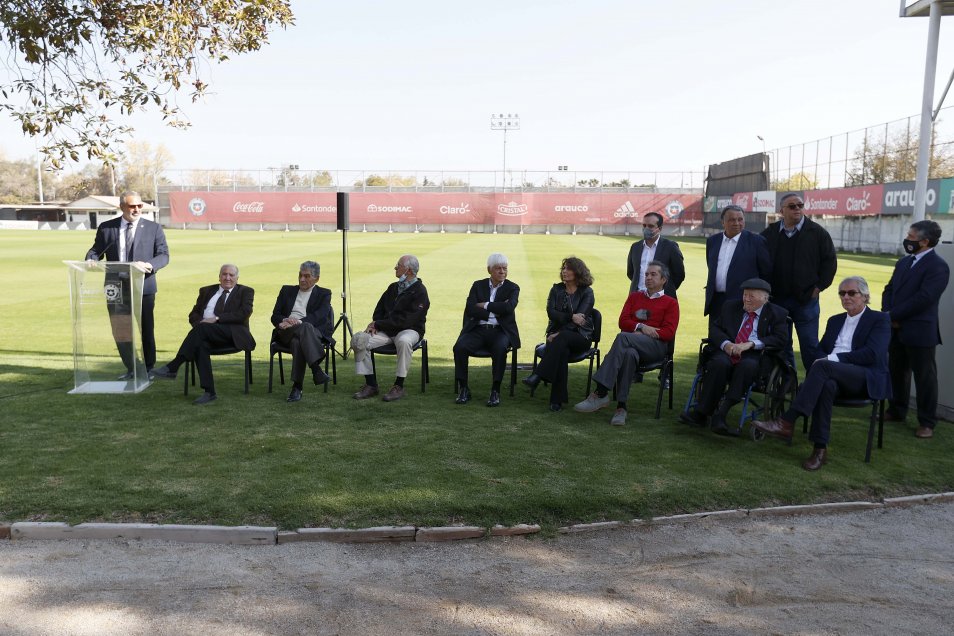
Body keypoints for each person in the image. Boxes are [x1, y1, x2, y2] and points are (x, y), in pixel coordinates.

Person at [753, 276, 890, 471]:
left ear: (865, 296)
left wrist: (832, 360)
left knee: (823, 366)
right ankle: (820, 449)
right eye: (842, 293)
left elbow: (872, 354)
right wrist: (825, 359)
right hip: (833, 377)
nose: (846, 297)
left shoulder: (880, 319)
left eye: (852, 293)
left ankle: (787, 421)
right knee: (827, 385)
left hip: (864, 377)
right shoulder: (835, 321)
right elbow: (821, 349)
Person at [573, 261, 678, 426]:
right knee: (629, 353)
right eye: (646, 274)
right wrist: (642, 327)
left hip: (656, 348)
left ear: (663, 279)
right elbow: (623, 321)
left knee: (623, 337)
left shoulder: (671, 303)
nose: (648, 277)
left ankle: (600, 393)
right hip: (632, 345)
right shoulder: (634, 296)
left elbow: (668, 333)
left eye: (653, 274)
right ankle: (621, 408)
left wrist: (643, 331)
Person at [682, 278, 789, 435]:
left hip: (754, 356)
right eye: (745, 295)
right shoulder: (731, 307)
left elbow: (780, 339)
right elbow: (715, 329)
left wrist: (751, 344)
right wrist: (727, 344)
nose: (746, 299)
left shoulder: (777, 314)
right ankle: (701, 413)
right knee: (718, 363)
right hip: (728, 351)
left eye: (751, 296)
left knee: (747, 366)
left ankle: (721, 414)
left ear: (764, 299)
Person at [85, 191, 170, 375]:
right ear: (122, 207)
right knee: (121, 330)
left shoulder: (153, 228)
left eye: (140, 206)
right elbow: (96, 250)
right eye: (132, 206)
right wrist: (91, 258)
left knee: (146, 330)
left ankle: (148, 368)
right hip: (115, 287)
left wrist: (149, 265)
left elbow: (163, 255)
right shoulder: (107, 228)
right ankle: (132, 368)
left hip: (144, 287)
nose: (137, 209)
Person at [882, 220, 950, 439]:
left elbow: (925, 299)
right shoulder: (903, 262)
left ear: (925, 241)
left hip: (920, 331)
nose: (907, 240)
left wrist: (894, 315)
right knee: (896, 372)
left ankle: (927, 422)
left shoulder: (938, 266)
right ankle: (896, 410)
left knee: (924, 378)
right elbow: (889, 289)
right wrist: (887, 314)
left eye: (911, 237)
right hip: (895, 328)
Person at [150, 264, 256, 405]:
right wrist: (201, 323)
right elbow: (193, 314)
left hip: (232, 335)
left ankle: (173, 367)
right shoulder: (207, 291)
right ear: (219, 276)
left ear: (237, 278)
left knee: (202, 329)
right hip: (206, 334)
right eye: (224, 274)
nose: (227, 277)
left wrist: (216, 319)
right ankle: (209, 392)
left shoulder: (246, 291)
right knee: (200, 344)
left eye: (231, 275)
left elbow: (243, 314)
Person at [761, 193, 837, 373]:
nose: (797, 209)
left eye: (800, 205)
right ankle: (787, 385)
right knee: (782, 346)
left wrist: (818, 288)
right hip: (777, 301)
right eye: (792, 206)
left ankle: (816, 385)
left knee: (810, 346)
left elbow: (830, 263)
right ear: (781, 211)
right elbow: (758, 261)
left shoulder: (817, 232)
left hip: (806, 301)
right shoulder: (769, 233)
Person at [352, 254, 430, 402]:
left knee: (404, 341)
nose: (395, 267)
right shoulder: (393, 287)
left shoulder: (420, 291)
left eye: (398, 265)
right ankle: (371, 384)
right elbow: (379, 310)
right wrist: (375, 324)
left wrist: (379, 324)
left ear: (408, 270)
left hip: (410, 330)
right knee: (359, 340)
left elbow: (407, 321)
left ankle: (398, 386)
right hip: (387, 330)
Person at [523, 257, 595, 412]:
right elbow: (551, 313)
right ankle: (556, 401)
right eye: (563, 268)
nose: (564, 272)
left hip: (580, 337)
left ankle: (538, 375)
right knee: (561, 350)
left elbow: (580, 320)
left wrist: (559, 332)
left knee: (560, 340)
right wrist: (569, 317)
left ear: (578, 272)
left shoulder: (587, 292)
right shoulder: (556, 289)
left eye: (569, 269)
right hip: (557, 338)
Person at [453, 253, 521, 407]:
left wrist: (485, 305)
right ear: (489, 269)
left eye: (505, 268)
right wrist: (497, 309)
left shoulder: (513, 287)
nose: (502, 271)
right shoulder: (478, 285)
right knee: (459, 348)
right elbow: (470, 308)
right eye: (498, 268)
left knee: (500, 349)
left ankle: (495, 390)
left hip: (500, 331)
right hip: (478, 329)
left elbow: (509, 307)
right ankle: (463, 388)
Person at [271, 261, 333, 403]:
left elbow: (321, 316)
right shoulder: (286, 290)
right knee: (300, 333)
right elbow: (275, 315)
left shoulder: (324, 293)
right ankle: (316, 369)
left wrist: (299, 321)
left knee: (300, 337)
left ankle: (297, 387)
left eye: (306, 276)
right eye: (300, 275)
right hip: (286, 331)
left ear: (317, 278)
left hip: (313, 332)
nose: (302, 279)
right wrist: (284, 320)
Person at [704, 205, 772, 324]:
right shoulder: (712, 241)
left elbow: (766, 273)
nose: (736, 223)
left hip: (743, 302)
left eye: (740, 219)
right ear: (723, 222)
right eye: (732, 220)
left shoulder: (756, 241)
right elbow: (711, 268)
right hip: (716, 302)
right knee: (716, 338)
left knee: (739, 339)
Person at [626, 212, 685, 298]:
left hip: (662, 299)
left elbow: (679, 274)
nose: (646, 229)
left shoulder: (670, 247)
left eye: (650, 226)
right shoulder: (635, 247)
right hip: (637, 297)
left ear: (659, 228)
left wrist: (665, 289)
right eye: (644, 225)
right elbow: (631, 273)